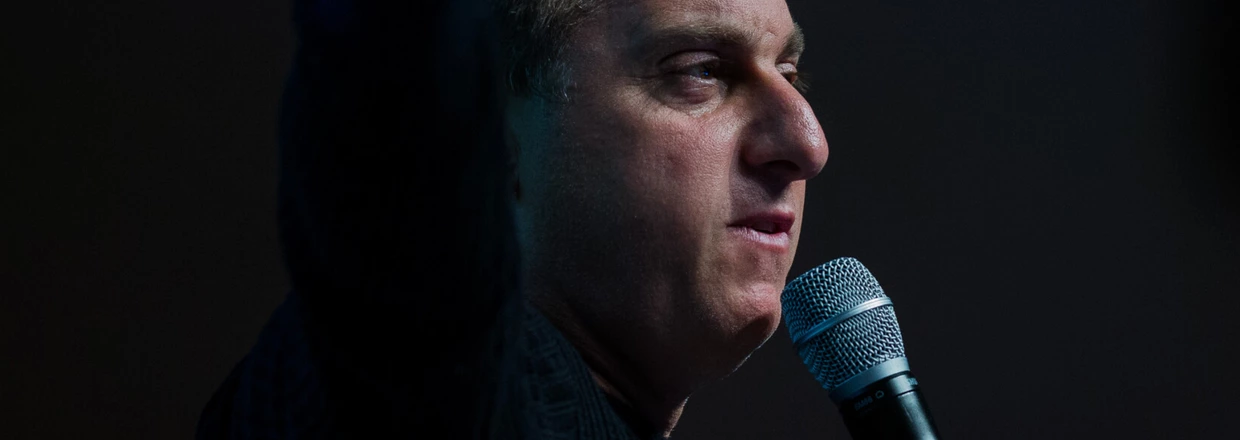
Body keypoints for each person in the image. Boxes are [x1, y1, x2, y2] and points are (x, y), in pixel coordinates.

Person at [197, 0, 828, 437]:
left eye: (790, 72)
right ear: (493, 137)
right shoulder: (436, 383)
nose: (808, 142)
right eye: (701, 70)